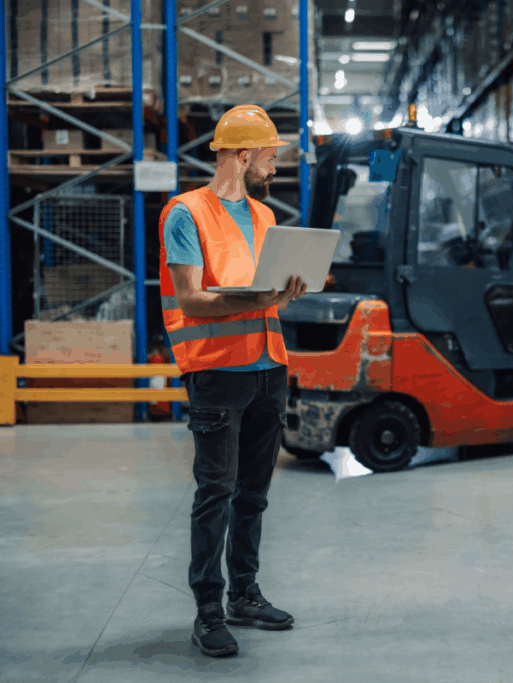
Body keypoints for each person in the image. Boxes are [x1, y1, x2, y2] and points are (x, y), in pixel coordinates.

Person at [158, 105, 308, 658]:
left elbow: (262, 293)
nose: (274, 167)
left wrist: (287, 292)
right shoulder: (185, 214)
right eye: (269, 157)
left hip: (269, 367)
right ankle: (208, 611)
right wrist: (261, 299)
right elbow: (191, 300)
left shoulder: (266, 217)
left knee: (253, 494)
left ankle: (244, 594)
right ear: (243, 156)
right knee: (215, 493)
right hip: (217, 373)